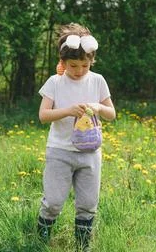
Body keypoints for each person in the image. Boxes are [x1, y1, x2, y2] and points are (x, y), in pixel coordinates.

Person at [37, 23, 116, 251]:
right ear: (63, 62)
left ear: (91, 61)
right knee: (53, 202)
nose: (80, 70)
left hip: (90, 153)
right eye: (73, 65)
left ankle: (83, 246)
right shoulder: (55, 82)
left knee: (88, 204)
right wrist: (69, 110)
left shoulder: (97, 80)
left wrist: (98, 108)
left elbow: (111, 114)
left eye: (85, 64)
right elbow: (43, 115)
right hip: (60, 152)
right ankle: (40, 241)